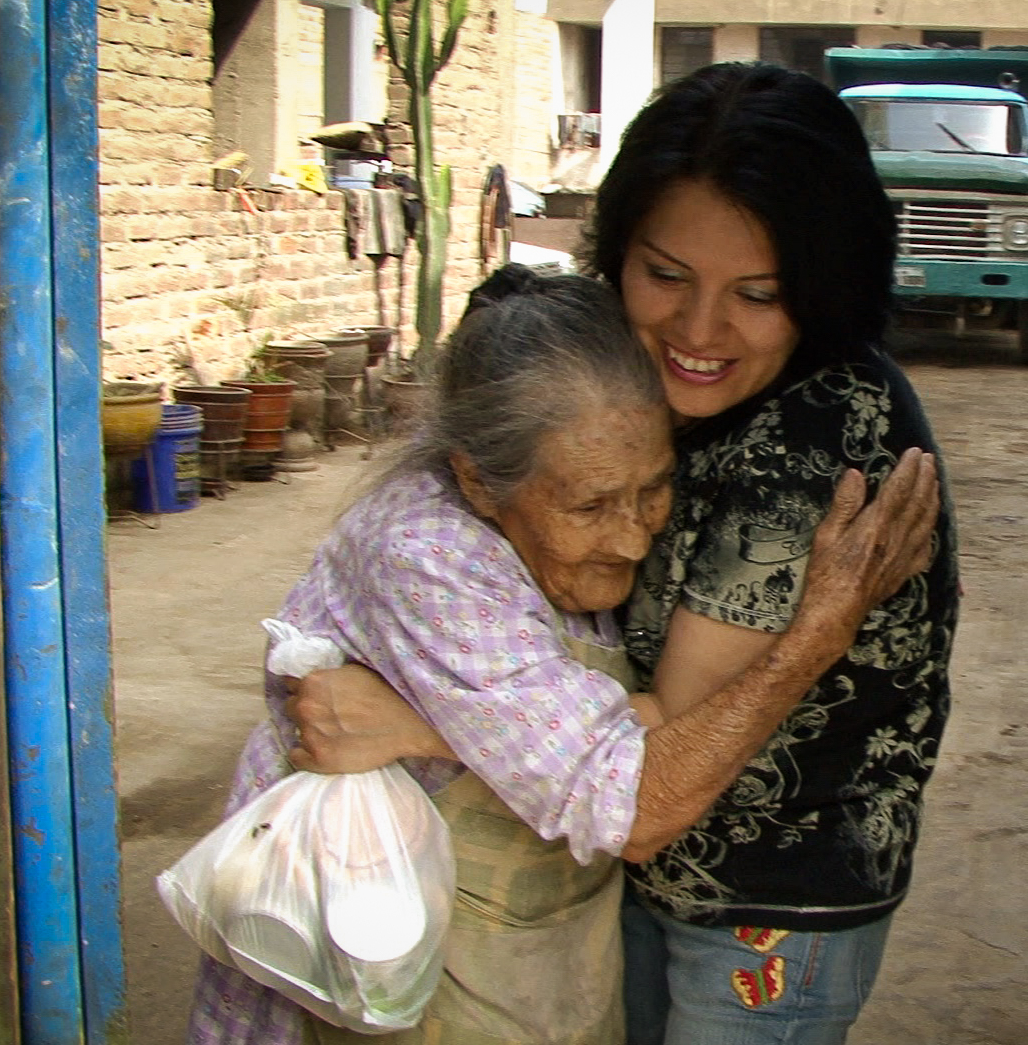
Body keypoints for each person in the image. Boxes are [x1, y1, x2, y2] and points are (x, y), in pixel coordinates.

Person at [294, 62, 963, 1045]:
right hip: (646, 880)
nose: (698, 330)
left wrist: (414, 723)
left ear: (823, 284)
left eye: (759, 292)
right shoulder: (662, 381)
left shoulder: (816, 442)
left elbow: (639, 770)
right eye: (664, 276)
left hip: (757, 911)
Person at [184, 267, 939, 1045]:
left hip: (532, 946)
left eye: (653, 490)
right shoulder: (424, 552)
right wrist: (818, 634)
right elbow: (628, 803)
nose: (634, 536)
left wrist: (422, 729)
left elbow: (634, 727)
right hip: (384, 942)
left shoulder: (584, 512)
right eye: (589, 507)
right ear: (478, 482)